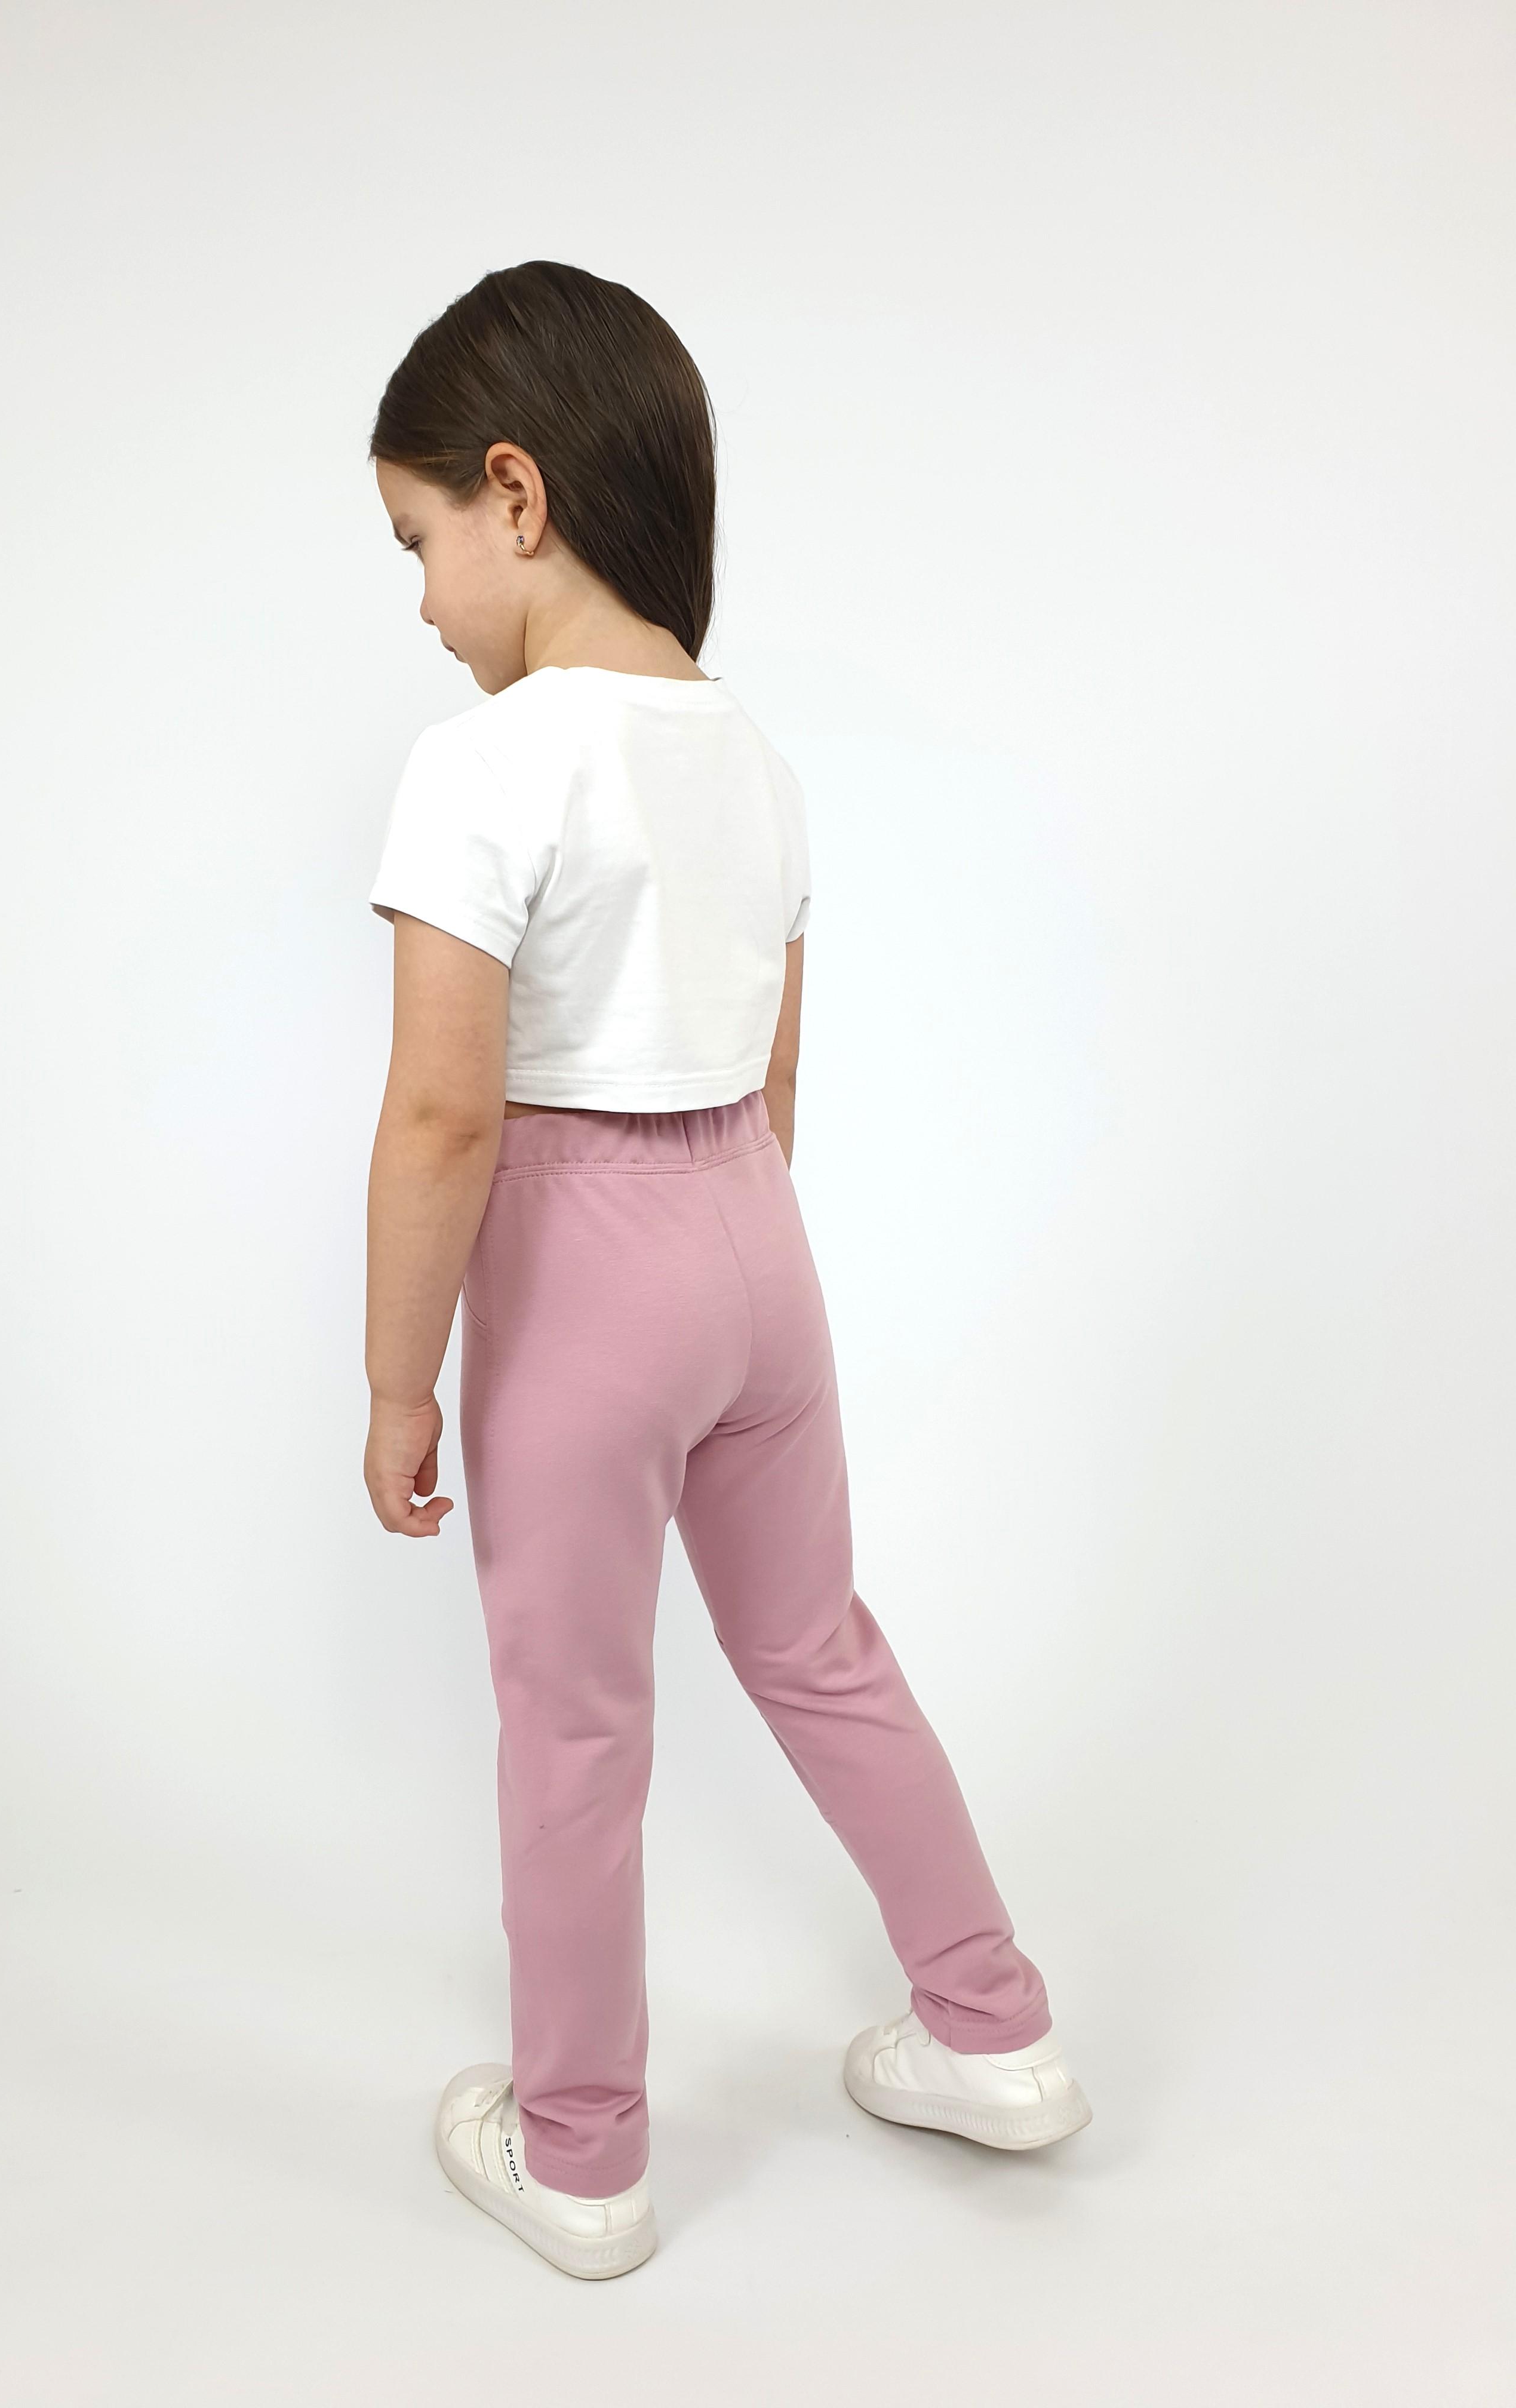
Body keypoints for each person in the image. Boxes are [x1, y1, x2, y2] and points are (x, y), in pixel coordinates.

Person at [361, 261, 1090, 2281]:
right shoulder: (751, 753)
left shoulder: (485, 760)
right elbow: (775, 1072)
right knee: (820, 1644)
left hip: (582, 1271)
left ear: (515, 493)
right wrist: (717, 1249)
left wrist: (401, 1380)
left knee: (577, 1725)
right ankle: (994, 2029)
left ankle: (582, 2158)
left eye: (416, 541)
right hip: (759, 1244)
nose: (419, 603)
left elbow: (443, 1114)